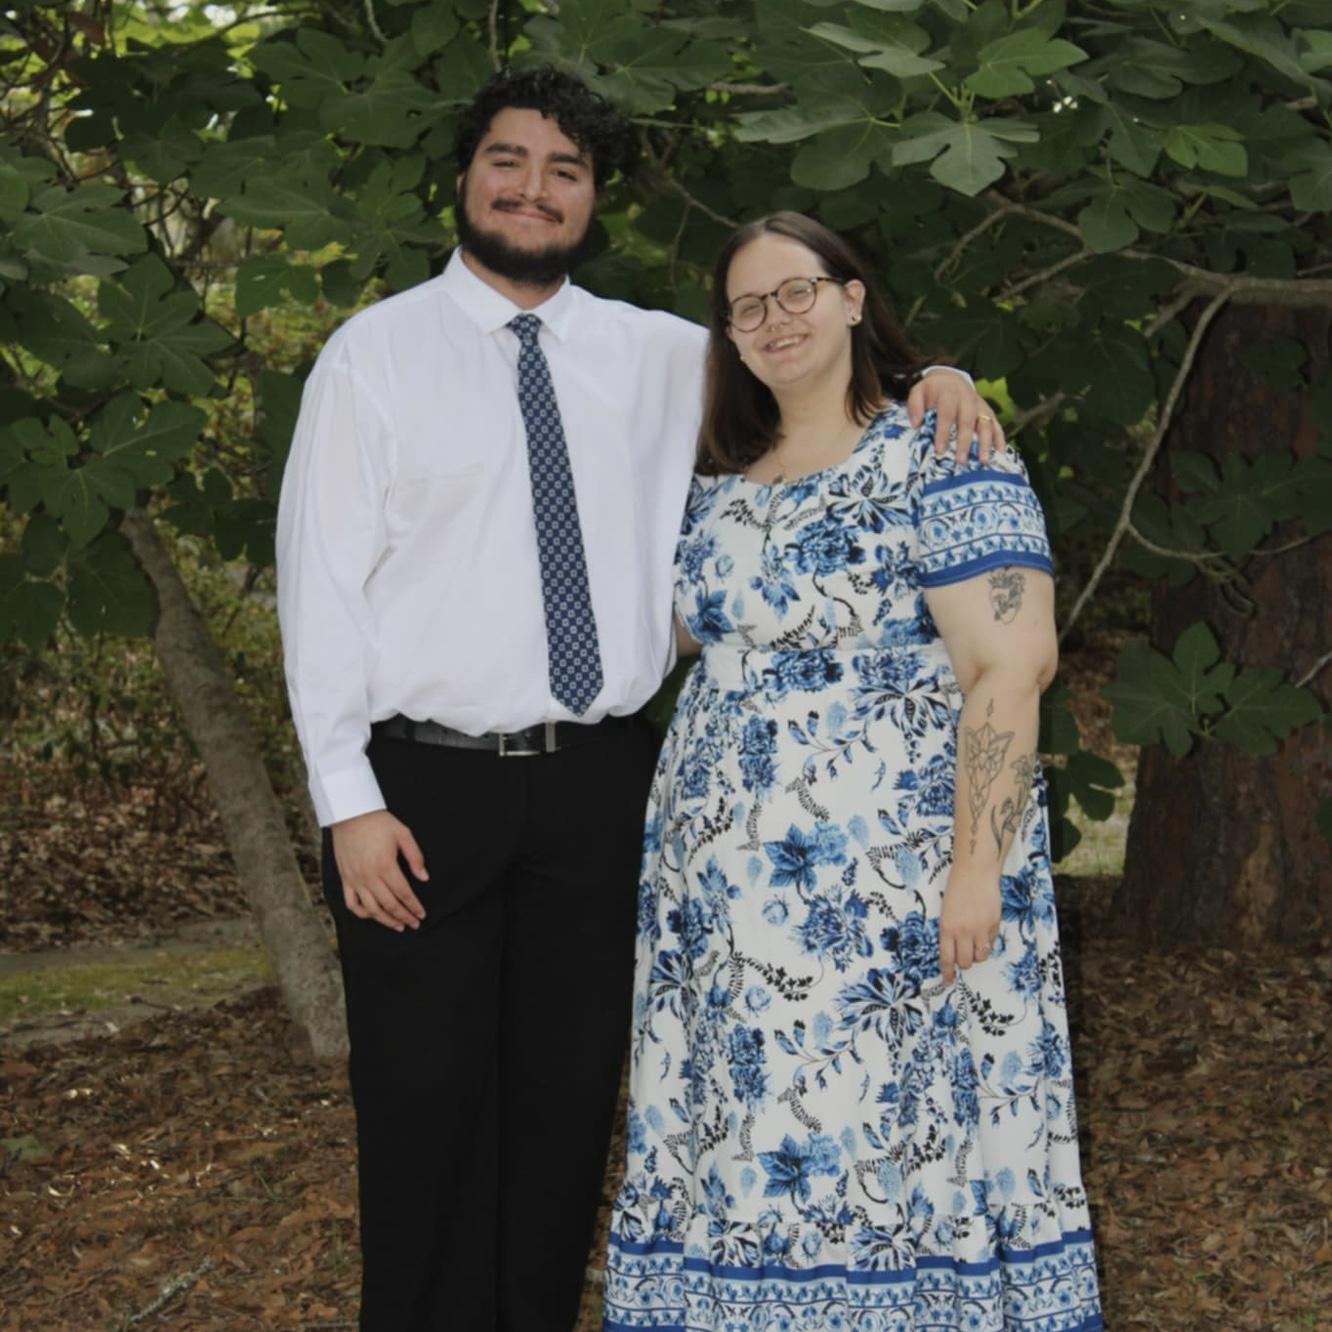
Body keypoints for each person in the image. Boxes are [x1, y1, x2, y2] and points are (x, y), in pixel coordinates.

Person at [276, 66, 998, 1332]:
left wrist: (935, 373)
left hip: (606, 784)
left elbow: (810, 360)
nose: (534, 188)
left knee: (567, 1102)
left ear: (593, 197)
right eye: (509, 160)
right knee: (423, 1101)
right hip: (422, 788)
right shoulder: (373, 358)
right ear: (465, 177)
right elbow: (318, 587)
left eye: (566, 170)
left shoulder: (668, 357)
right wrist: (347, 798)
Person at [604, 212, 1102, 1331]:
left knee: (885, 1135)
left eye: (797, 291)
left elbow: (1011, 666)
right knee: (745, 1138)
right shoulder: (715, 481)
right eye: (746, 306)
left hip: (890, 891)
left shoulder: (943, 451)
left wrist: (976, 869)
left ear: (851, 298)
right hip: (722, 910)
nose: (773, 319)